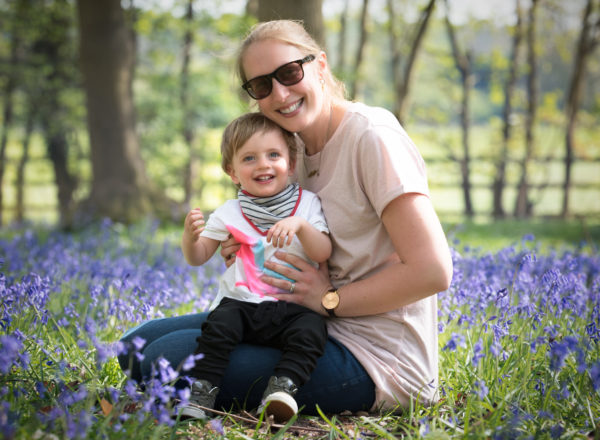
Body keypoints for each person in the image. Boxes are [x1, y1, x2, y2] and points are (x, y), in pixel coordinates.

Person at [118, 19, 453, 416]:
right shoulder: (289, 149)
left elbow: (433, 271)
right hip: (295, 320)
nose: (280, 92)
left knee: (161, 358)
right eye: (262, 85)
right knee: (134, 345)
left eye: (290, 72)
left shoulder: (372, 138)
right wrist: (245, 245)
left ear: (321, 66)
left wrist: (328, 300)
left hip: (374, 356)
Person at [177, 112, 331, 422]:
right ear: (232, 172)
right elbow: (199, 256)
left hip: (292, 306)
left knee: (312, 330)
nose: (263, 164)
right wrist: (190, 239)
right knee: (217, 327)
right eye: (249, 158)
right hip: (241, 305)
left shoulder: (307, 204)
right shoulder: (229, 212)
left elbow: (323, 249)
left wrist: (300, 226)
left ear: (290, 163)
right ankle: (202, 393)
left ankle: (282, 390)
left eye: (273, 155)